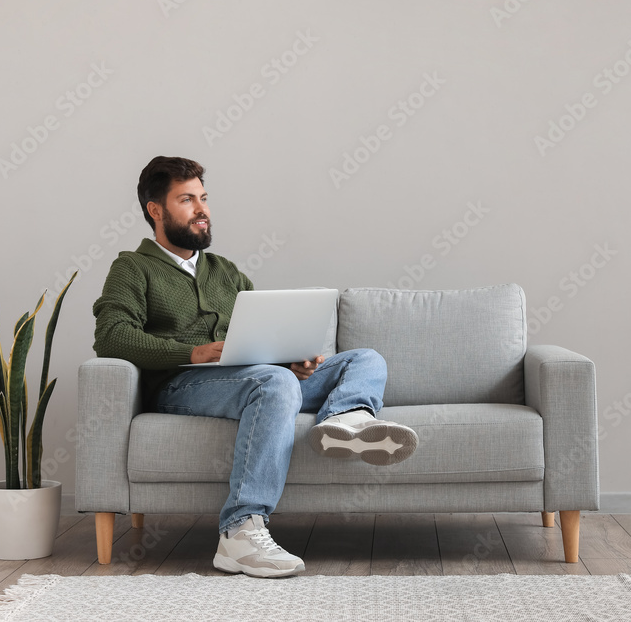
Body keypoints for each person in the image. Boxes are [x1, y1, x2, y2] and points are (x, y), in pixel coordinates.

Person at [92, 156, 419, 578]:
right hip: (182, 386)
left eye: (204, 198)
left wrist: (290, 359)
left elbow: (260, 336)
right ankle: (239, 533)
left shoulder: (225, 271)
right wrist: (192, 353)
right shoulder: (132, 268)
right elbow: (111, 336)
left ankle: (347, 421)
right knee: (274, 381)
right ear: (156, 210)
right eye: (187, 200)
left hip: (254, 378)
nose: (202, 209)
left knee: (363, 359)